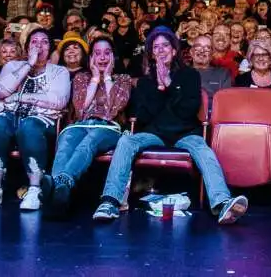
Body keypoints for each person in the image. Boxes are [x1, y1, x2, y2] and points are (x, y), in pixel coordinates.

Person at [92, 27, 248, 225]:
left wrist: (169, 84)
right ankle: (110, 201)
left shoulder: (189, 75)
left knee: (203, 149)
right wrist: (159, 87)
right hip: (154, 133)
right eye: (156, 47)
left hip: (185, 132)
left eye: (165, 46)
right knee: (126, 141)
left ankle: (222, 202)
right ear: (151, 53)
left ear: (174, 51)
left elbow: (187, 110)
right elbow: (143, 115)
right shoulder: (145, 83)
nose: (161, 50)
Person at [0, 25, 71, 211]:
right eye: (34, 42)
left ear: (50, 48)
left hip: (39, 120)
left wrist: (19, 97)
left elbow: (58, 101)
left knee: (29, 127)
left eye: (44, 42)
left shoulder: (59, 71)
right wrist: (28, 64)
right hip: (8, 115)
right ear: (27, 47)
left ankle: (35, 189)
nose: (39, 46)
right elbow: (2, 90)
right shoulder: (13, 66)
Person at [40, 37, 134, 218]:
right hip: (81, 124)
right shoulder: (82, 78)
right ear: (91, 57)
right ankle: (60, 198)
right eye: (97, 53)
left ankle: (59, 184)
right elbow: (81, 109)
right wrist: (95, 79)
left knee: (89, 141)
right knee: (66, 140)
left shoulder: (123, 78)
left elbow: (114, 108)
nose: (102, 57)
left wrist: (106, 78)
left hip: (108, 128)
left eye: (107, 53)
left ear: (113, 56)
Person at [234, 38, 271, 106]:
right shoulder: (241, 80)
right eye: (256, 55)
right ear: (251, 59)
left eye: (265, 54)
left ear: (270, 58)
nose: (261, 58)